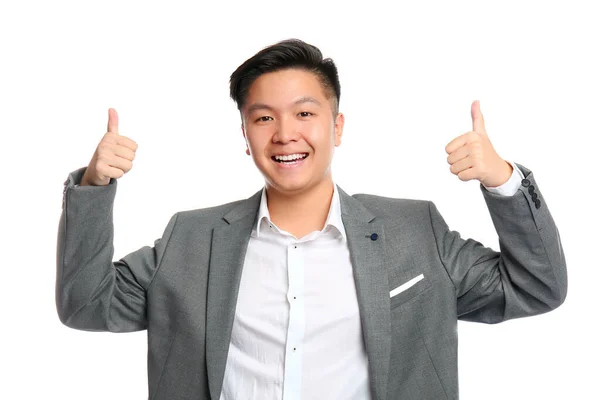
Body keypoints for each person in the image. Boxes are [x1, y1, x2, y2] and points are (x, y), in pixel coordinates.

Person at [56, 39, 567, 400]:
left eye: (304, 114)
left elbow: (535, 287)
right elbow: (85, 304)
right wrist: (95, 187)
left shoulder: (414, 231)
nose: (284, 134)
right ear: (245, 132)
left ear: (336, 126)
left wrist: (502, 181)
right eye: (263, 117)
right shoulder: (191, 239)